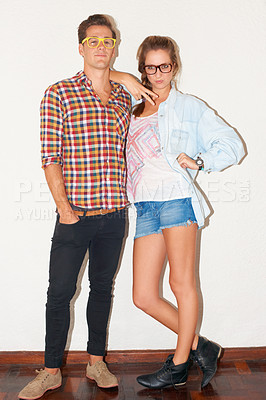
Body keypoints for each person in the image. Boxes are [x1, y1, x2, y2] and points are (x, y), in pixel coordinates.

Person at [18, 15, 155, 400]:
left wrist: (126, 78)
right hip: (74, 214)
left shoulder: (125, 98)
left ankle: (96, 361)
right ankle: (50, 371)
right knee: (59, 293)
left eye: (108, 42)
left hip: (114, 215)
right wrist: (64, 209)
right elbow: (50, 156)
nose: (100, 47)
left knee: (101, 289)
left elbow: (154, 101)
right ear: (81, 47)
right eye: (93, 41)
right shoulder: (58, 93)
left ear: (115, 47)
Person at [111, 35, 244, 389]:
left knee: (181, 283)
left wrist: (200, 161)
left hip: (176, 200)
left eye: (164, 66)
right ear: (142, 68)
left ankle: (180, 363)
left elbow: (231, 143)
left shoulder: (188, 107)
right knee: (143, 296)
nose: (157, 73)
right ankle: (203, 347)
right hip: (145, 205)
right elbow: (100, 74)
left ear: (175, 66)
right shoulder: (132, 105)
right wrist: (124, 77)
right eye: (150, 67)